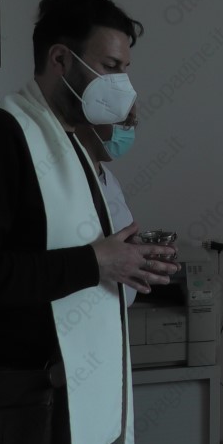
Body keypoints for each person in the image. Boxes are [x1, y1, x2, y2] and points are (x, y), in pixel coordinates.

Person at [0, 0, 179, 444]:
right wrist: (97, 262)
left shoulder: (71, 141)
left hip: (69, 389)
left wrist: (127, 261)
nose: (123, 85)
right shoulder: (4, 135)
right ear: (60, 59)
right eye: (110, 67)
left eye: (125, 69)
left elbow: (68, 248)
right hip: (24, 400)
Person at [74, 105, 139, 306]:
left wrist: (139, 253)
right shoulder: (66, 179)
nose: (128, 131)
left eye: (133, 123)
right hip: (82, 312)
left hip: (116, 315)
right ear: (90, 120)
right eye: (124, 122)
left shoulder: (109, 178)